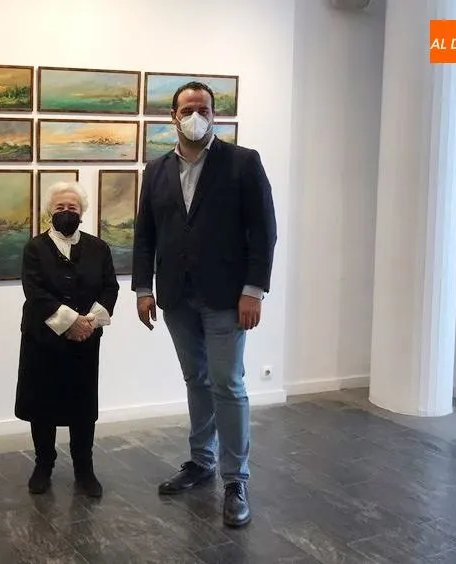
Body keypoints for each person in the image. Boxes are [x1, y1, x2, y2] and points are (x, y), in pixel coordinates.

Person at [132, 81, 277, 527]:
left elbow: (263, 231)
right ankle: (202, 461)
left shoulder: (242, 163)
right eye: (187, 108)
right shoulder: (155, 170)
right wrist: (142, 289)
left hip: (227, 297)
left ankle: (236, 479)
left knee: (227, 383)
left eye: (203, 108)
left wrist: (253, 290)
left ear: (215, 114)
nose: (195, 115)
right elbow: (145, 234)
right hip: (176, 295)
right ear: (172, 117)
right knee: (196, 378)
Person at [15, 181, 119, 498]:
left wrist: (89, 322)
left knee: (82, 406)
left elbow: (110, 288)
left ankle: (84, 470)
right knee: (42, 404)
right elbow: (35, 292)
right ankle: (43, 465)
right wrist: (70, 322)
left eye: (72, 207)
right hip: (42, 339)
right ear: (50, 211)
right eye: (60, 207)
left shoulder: (99, 248)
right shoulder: (35, 248)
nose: (66, 212)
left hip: (85, 341)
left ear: (82, 212)